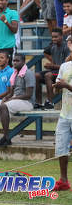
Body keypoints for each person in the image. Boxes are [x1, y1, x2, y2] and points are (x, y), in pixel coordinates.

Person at [0, 54, 35, 147]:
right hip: (16, 99)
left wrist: (12, 98)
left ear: (23, 62)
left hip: (27, 102)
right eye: (14, 61)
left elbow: (28, 95)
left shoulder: (28, 73)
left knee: (3, 106)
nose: (15, 63)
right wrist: (6, 98)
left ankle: (6, 137)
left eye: (17, 61)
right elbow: (11, 93)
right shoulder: (15, 74)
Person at [51, 37, 72, 191]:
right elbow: (58, 86)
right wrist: (56, 87)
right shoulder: (65, 66)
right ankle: (63, 181)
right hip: (65, 114)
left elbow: (66, 85)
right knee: (61, 147)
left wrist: (67, 85)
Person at [36, 28, 69, 109]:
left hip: (64, 72)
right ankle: (38, 102)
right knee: (36, 75)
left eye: (56, 37)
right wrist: (51, 63)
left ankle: (50, 102)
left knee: (48, 75)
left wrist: (52, 66)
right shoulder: (53, 47)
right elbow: (45, 51)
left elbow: (67, 65)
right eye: (52, 37)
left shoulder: (66, 47)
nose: (54, 39)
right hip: (55, 71)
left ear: (61, 36)